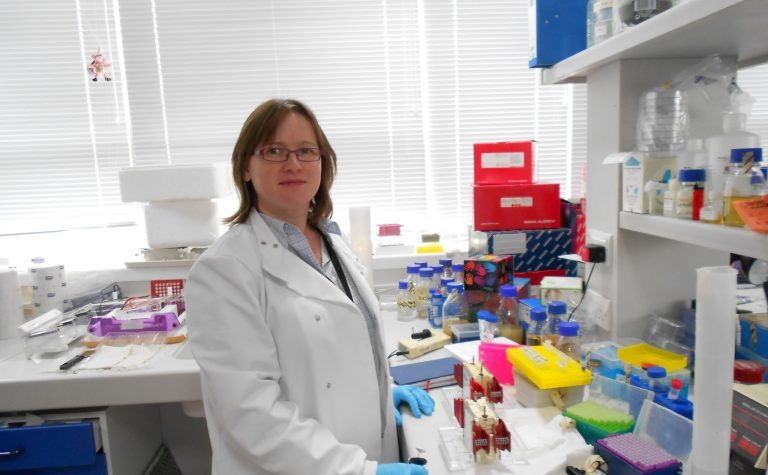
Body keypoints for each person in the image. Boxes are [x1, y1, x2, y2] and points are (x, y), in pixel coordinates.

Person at [185, 99, 434, 475]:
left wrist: (382, 398)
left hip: (359, 449)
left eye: (306, 150)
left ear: (323, 162)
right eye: (274, 151)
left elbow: (348, 353)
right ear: (246, 168)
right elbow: (251, 414)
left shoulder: (333, 241)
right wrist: (362, 472)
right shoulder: (224, 270)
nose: (293, 163)